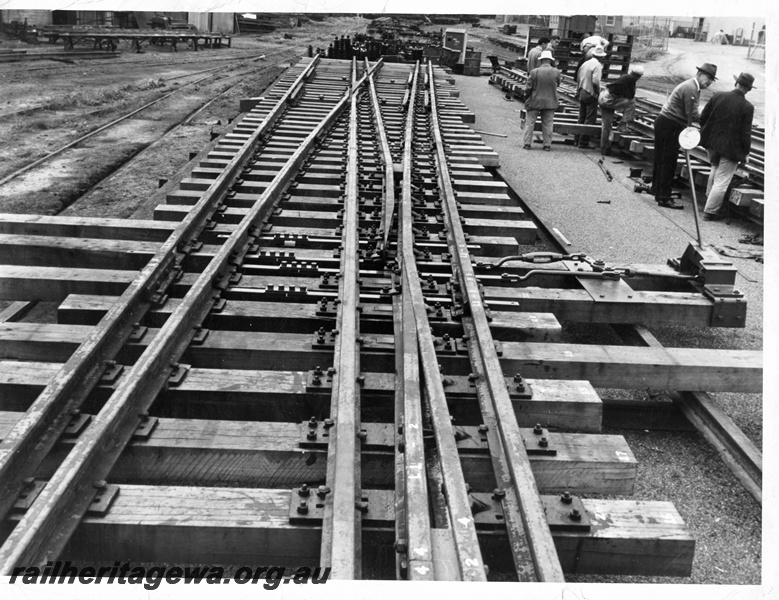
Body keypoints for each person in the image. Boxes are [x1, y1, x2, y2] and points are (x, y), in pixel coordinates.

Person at [650, 63, 717, 209]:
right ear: (700, 74)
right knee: (669, 161)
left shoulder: (691, 86)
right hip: (671, 124)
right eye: (708, 78)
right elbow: (692, 114)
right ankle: (664, 197)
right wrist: (711, 121)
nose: (710, 82)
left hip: (665, 121)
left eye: (712, 80)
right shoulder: (691, 88)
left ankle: (657, 189)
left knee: (661, 159)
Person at [699, 72, 755, 220]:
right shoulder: (747, 107)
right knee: (722, 180)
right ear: (749, 89)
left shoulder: (718, 95)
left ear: (736, 83)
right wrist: (746, 152)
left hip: (712, 144)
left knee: (714, 170)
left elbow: (703, 117)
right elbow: (745, 134)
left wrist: (709, 134)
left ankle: (708, 202)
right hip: (730, 149)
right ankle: (710, 212)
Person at [598, 65, 644, 155]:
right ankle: (623, 125)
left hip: (603, 98)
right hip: (609, 101)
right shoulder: (631, 79)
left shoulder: (625, 77)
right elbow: (631, 95)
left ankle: (604, 148)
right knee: (631, 103)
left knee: (606, 125)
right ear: (639, 76)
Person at [522, 50, 561, 151]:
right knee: (548, 124)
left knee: (530, 123)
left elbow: (528, 88)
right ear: (550, 60)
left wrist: (526, 97)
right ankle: (547, 145)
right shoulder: (556, 72)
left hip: (535, 101)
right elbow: (558, 84)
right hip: (550, 102)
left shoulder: (534, 72)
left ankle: (527, 144)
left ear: (541, 60)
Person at [575, 46, 605, 149]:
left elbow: (578, 78)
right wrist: (597, 92)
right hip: (590, 93)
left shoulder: (585, 63)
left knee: (581, 116)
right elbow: (596, 81)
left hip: (582, 91)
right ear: (601, 57)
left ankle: (577, 139)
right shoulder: (597, 65)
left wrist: (578, 90)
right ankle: (583, 142)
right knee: (590, 118)